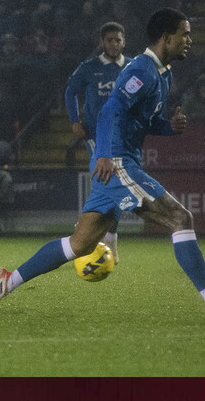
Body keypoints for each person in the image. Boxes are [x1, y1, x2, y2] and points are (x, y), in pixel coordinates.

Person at [0, 7, 205, 314]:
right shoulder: (142, 70)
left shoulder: (162, 72)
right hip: (117, 162)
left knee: (79, 244)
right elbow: (111, 110)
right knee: (180, 218)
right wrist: (107, 154)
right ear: (166, 37)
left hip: (115, 162)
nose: (190, 39)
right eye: (185, 34)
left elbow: (141, 120)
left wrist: (167, 127)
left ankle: (7, 280)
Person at [63, 22, 129, 261]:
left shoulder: (132, 67)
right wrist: (74, 120)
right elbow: (70, 91)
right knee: (110, 178)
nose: (114, 44)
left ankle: (101, 233)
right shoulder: (89, 68)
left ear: (124, 42)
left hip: (125, 136)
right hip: (96, 135)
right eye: (109, 40)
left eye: (118, 40)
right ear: (102, 42)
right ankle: (101, 235)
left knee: (119, 183)